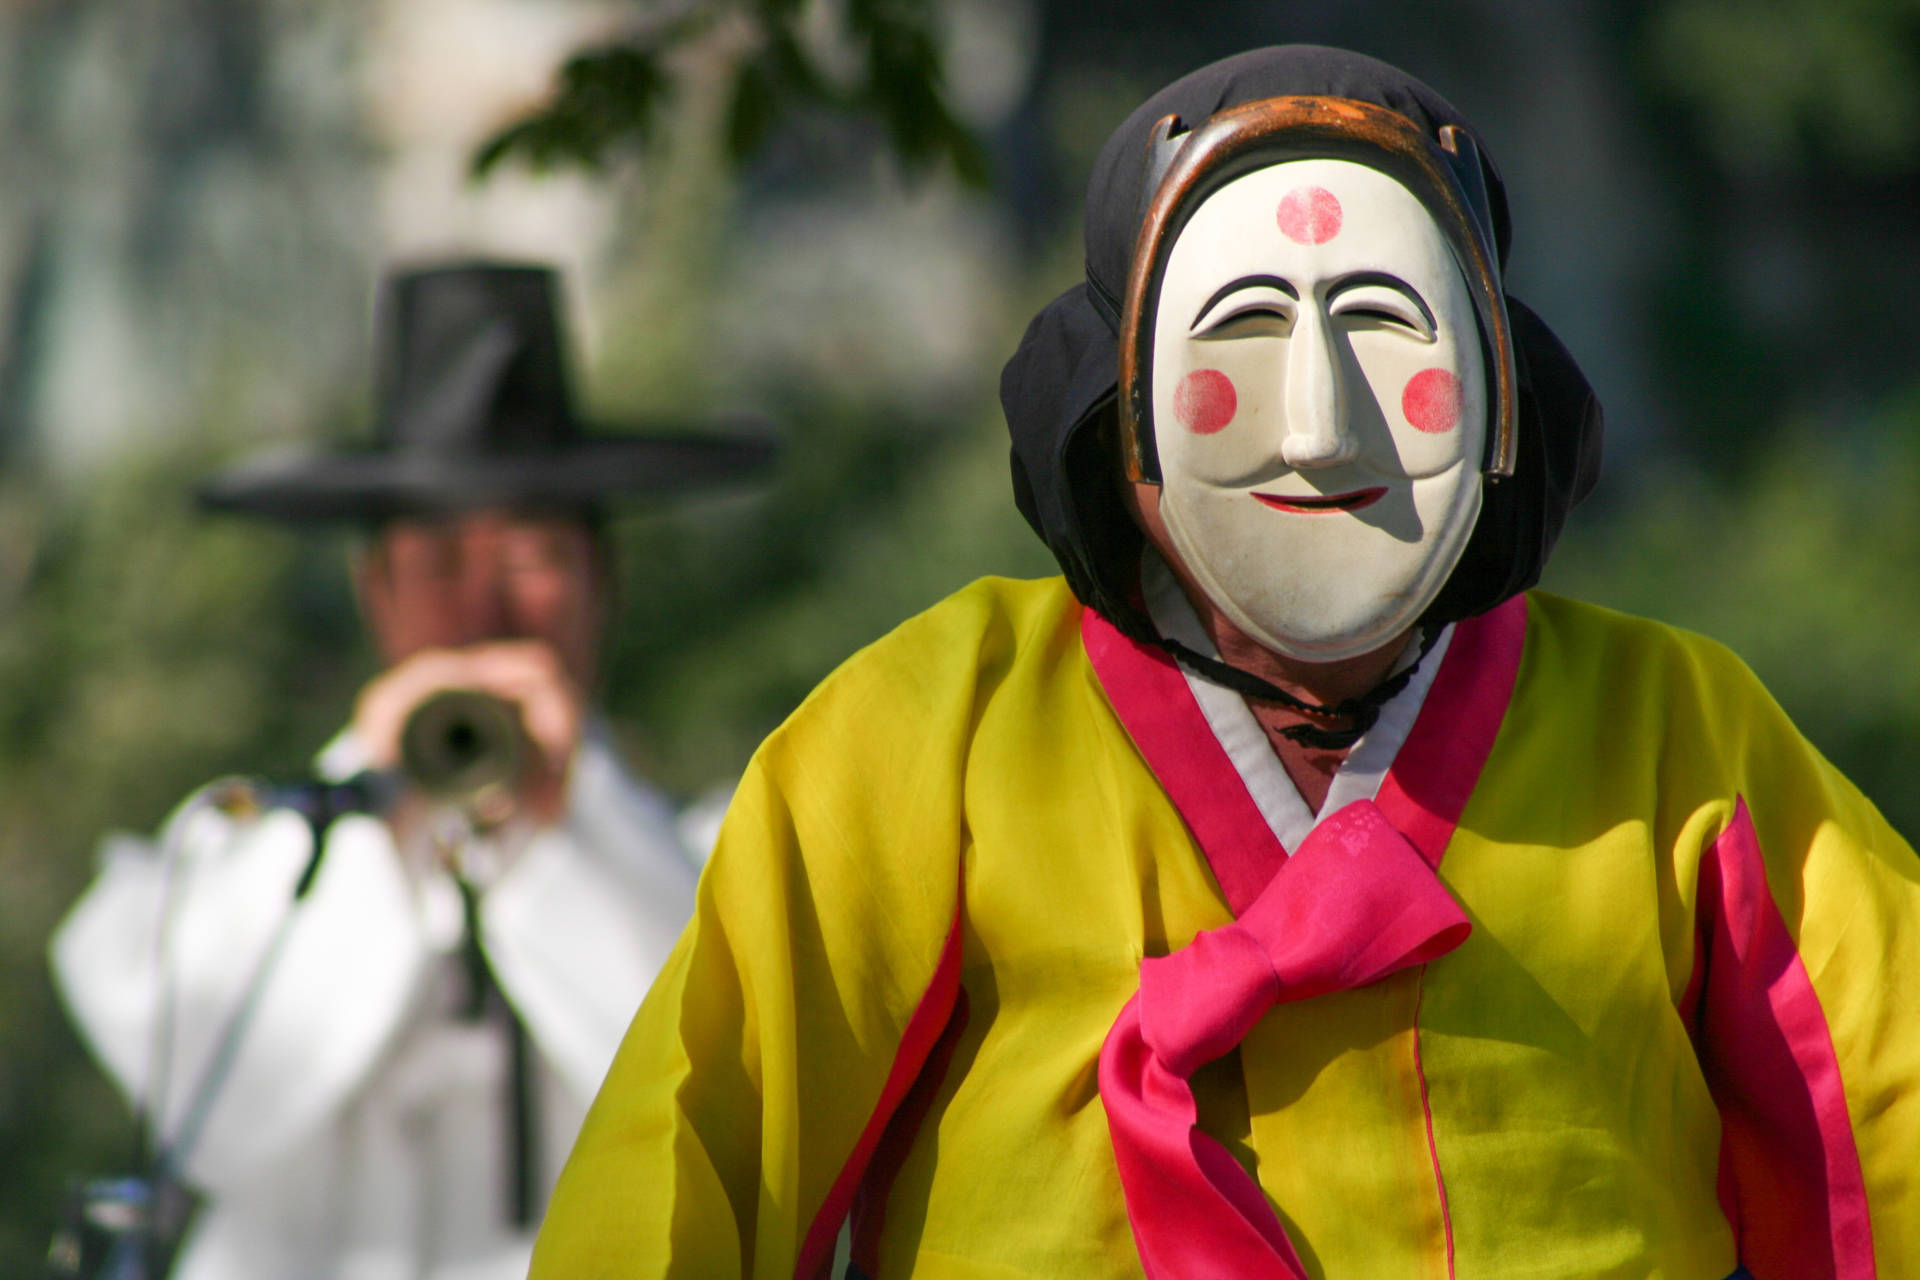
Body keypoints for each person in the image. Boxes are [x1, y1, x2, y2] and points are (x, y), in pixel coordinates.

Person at [531, 47, 1920, 1278]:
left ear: (1501, 391)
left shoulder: (1677, 734)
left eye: (1385, 321)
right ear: (1120, 415)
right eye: (1243, 332)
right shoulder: (926, 738)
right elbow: (678, 1183)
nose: (1319, 425)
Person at [50, 261, 776, 1280]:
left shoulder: (717, 856)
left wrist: (560, 823)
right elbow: (214, 1104)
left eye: (530, 557)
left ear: (601, 581)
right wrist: (383, 817)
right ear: (374, 588)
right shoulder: (237, 854)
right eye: (438, 564)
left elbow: (736, 1091)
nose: (483, 613)